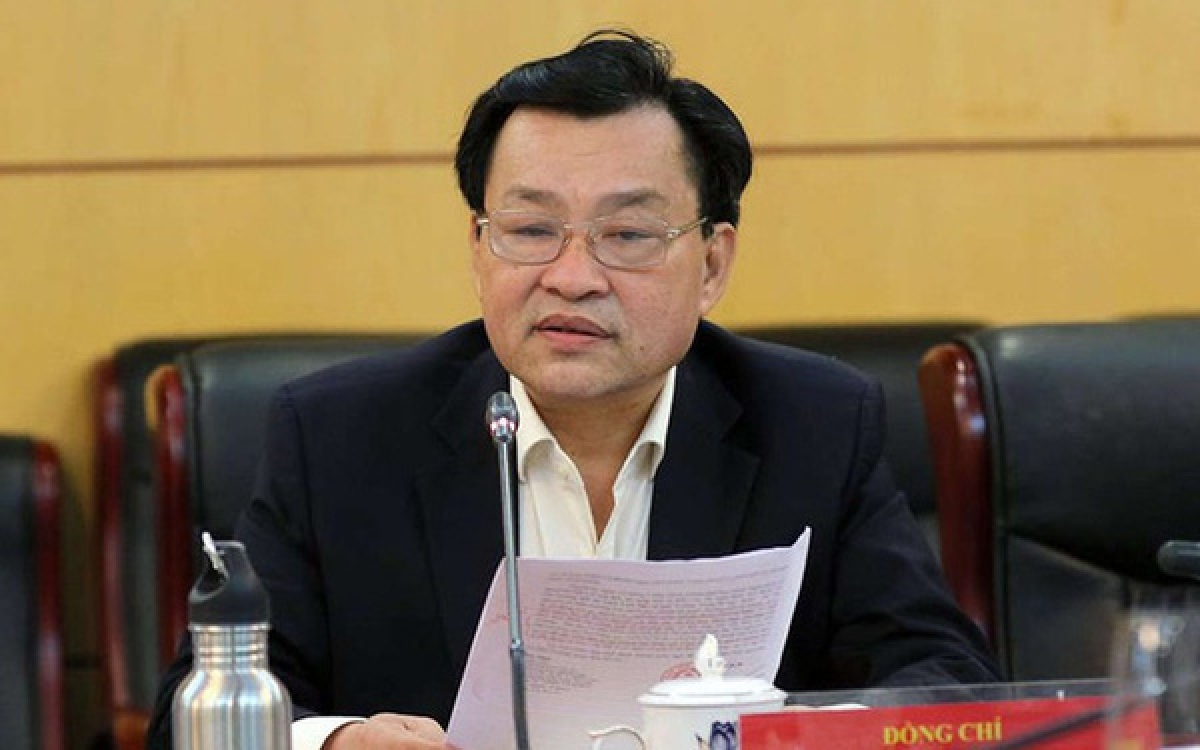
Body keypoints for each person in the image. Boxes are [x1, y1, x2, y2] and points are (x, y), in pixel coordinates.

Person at [148, 29, 1000, 750]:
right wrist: (334, 742)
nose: (572, 276)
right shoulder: (339, 436)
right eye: (530, 230)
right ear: (479, 248)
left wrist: (805, 735)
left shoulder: (813, 424)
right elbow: (198, 712)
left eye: (627, 234)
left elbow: (946, 680)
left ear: (712, 264)